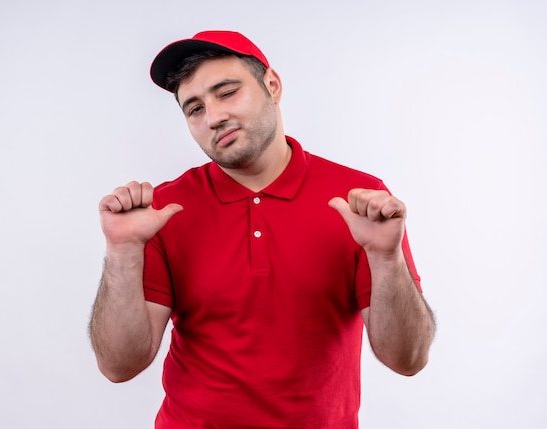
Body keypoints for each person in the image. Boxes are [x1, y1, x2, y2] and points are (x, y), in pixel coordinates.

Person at [89, 30, 436, 428]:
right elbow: (118, 366)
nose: (213, 117)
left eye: (226, 92)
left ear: (272, 85)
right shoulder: (162, 212)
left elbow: (407, 360)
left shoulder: (359, 200)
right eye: (195, 109)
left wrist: (385, 258)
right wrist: (122, 250)